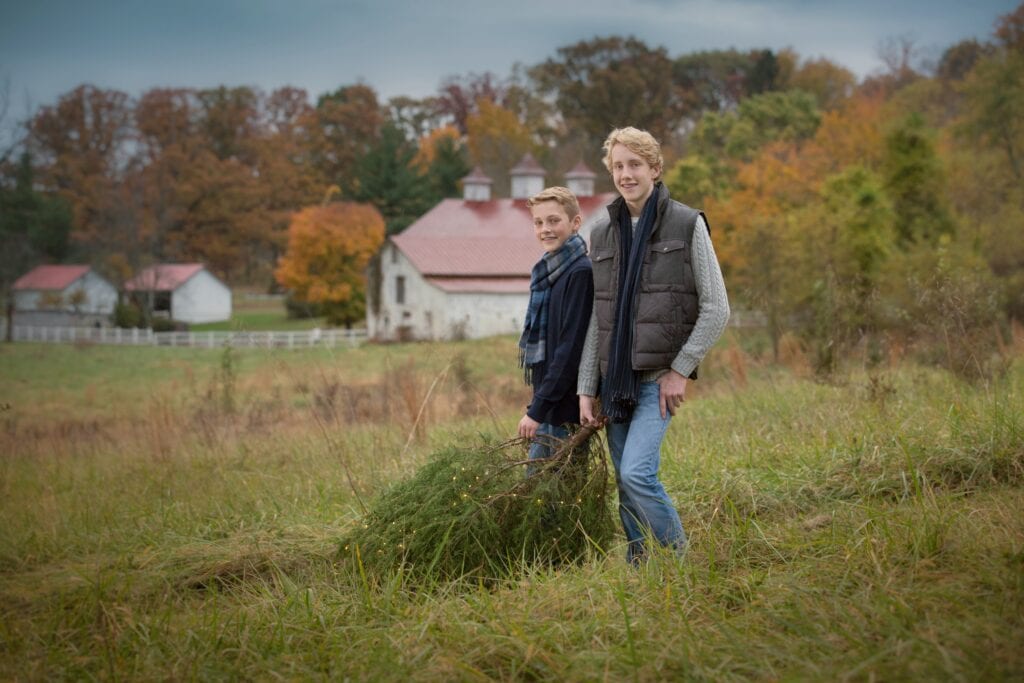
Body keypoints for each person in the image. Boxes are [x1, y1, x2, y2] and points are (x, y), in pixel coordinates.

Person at [578, 126, 730, 564]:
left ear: (655, 169)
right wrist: (588, 386)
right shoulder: (602, 231)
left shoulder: (686, 223)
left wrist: (680, 370)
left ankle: (681, 560)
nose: (626, 174)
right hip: (615, 382)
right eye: (618, 166)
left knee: (637, 474)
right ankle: (639, 568)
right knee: (626, 486)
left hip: (656, 381)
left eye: (635, 165)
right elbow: (597, 316)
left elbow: (717, 307)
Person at [517, 186, 595, 466]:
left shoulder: (580, 273)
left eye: (553, 221)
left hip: (565, 411)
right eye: (538, 222)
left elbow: (569, 351)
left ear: (575, 222)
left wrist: (537, 411)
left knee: (554, 495)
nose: (545, 229)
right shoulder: (548, 274)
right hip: (549, 407)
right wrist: (538, 406)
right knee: (540, 495)